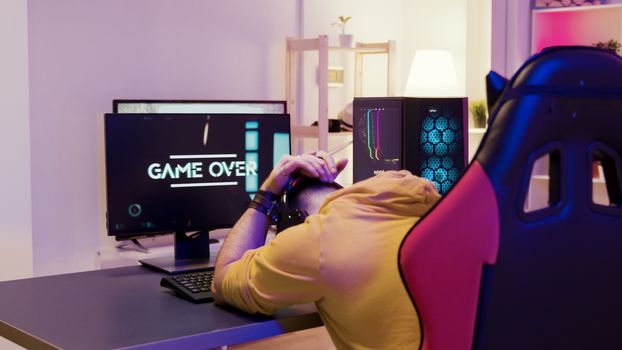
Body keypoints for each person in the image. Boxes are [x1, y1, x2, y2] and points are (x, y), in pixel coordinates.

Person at [212, 151, 441, 349]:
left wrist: (268, 191)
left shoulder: (317, 238)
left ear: (297, 220)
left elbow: (222, 280)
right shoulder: (435, 208)